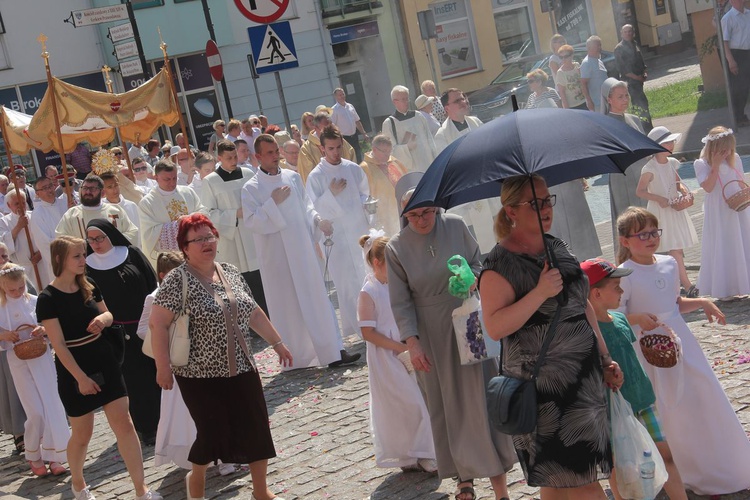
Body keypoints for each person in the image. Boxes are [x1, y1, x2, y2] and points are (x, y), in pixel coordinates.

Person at [479, 174, 622, 498]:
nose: (546, 208)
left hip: (583, 384)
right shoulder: (498, 264)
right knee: (582, 480)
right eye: (535, 203)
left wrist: (604, 357)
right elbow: (496, 327)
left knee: (556, 486)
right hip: (543, 390)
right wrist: (540, 292)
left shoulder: (556, 246)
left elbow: (581, 303)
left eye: (547, 200)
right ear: (511, 211)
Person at [386, 175, 516, 500]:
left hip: (468, 319)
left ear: (436, 208)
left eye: (426, 212)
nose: (421, 220)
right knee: (447, 404)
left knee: (481, 395)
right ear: (404, 214)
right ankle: (463, 476)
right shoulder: (396, 248)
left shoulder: (456, 225)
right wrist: (412, 343)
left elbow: (479, 261)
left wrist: (471, 277)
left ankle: (500, 484)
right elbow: (400, 301)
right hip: (430, 333)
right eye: (413, 215)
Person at [149, 214, 292, 500]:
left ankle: (261, 491)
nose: (206, 243)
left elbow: (252, 311)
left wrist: (277, 342)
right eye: (198, 239)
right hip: (198, 374)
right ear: (185, 248)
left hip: (242, 366)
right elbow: (158, 323)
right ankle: (197, 479)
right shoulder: (178, 280)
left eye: (210, 236)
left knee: (255, 427)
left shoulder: (230, 271)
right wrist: (162, 367)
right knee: (212, 432)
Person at [616, 207, 750, 496]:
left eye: (654, 232)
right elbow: (615, 317)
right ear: (626, 241)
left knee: (702, 394)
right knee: (669, 408)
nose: (650, 238)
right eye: (643, 234)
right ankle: (678, 466)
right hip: (649, 349)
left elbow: (674, 302)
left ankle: (718, 459)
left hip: (680, 340)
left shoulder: (667, 262)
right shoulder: (624, 274)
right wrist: (639, 319)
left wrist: (701, 302)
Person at [37, 235, 161, 500]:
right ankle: (79, 484)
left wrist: (103, 320)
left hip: (105, 360)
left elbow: (108, 313)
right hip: (74, 366)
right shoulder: (47, 298)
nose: (84, 260)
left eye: (84, 254)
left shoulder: (89, 284)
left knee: (125, 424)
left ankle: (142, 489)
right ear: (60, 259)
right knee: (83, 434)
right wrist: (80, 378)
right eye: (77, 256)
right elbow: (58, 344)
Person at [241, 135, 360, 370]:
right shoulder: (251, 188)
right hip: (277, 258)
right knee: (288, 306)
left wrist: (318, 220)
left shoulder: (292, 177)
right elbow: (252, 222)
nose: (275, 156)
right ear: (257, 157)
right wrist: (272, 203)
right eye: (269, 153)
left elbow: (307, 206)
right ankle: (298, 358)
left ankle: (334, 351)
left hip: (302, 251)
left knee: (316, 298)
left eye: (276, 151)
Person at [581, 258, 687, 500]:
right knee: (621, 468)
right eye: (616, 287)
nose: (621, 291)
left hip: (644, 400)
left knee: (665, 455)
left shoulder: (619, 320)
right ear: (596, 294)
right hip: (615, 410)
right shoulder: (588, 332)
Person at [357, 232, 437, 472]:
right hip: (387, 358)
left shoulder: (396, 286)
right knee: (407, 403)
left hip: (406, 351)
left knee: (420, 399)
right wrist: (399, 347)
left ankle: (421, 451)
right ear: (377, 263)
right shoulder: (368, 292)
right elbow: (368, 333)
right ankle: (413, 453)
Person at [84, 219, 160, 446]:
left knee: (158, 373)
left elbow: (152, 284)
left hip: (146, 325)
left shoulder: (131, 254)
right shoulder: (86, 267)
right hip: (116, 334)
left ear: (110, 235)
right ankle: (147, 428)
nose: (96, 243)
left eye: (100, 238)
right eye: (91, 240)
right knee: (134, 382)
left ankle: (170, 421)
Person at [0, 263, 69, 476]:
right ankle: (33, 453)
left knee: (51, 405)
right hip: (18, 360)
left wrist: (43, 329)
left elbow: (51, 326)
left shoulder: (36, 301)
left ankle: (55, 455)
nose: (18, 292)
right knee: (35, 411)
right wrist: (4, 334)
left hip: (41, 358)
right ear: (2, 286)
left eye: (21, 287)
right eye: (12, 290)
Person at [306, 126, 370, 338]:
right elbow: (311, 209)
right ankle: (361, 330)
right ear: (322, 149)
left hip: (358, 231)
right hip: (336, 238)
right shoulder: (316, 176)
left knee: (365, 277)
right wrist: (330, 195)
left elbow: (365, 194)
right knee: (346, 284)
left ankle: (372, 324)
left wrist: (367, 206)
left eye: (338, 147)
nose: (336, 152)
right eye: (331, 148)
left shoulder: (353, 168)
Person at [202, 140, 267, 313]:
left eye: (235, 156)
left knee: (259, 278)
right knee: (237, 280)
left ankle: (267, 315)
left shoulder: (247, 173)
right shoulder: (210, 181)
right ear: (219, 158)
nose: (233, 160)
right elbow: (208, 213)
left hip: (251, 234)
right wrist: (234, 214)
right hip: (230, 238)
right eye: (228, 157)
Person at [635, 126, 699, 295]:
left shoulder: (671, 163)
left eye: (671, 142)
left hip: (674, 209)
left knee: (675, 248)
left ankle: (677, 283)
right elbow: (640, 191)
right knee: (673, 248)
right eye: (667, 142)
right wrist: (659, 199)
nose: (671, 145)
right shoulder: (650, 168)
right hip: (660, 212)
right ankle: (686, 285)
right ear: (658, 147)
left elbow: (678, 184)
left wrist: (685, 193)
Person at [434, 88, 498, 254]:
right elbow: (448, 170)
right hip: (467, 199)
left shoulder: (476, 122)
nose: (464, 102)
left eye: (464, 98)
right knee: (477, 248)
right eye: (458, 101)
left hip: (487, 188)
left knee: (498, 240)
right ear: (447, 108)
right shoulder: (442, 136)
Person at [693, 126, 750, 298]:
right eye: (724, 148)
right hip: (718, 209)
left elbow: (740, 181)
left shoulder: (735, 158)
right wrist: (715, 166)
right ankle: (725, 288)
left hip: (738, 206)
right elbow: (709, 187)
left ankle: (744, 283)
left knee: (742, 241)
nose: (728, 152)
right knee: (722, 243)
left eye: (729, 148)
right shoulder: (701, 163)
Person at [601, 78, 647, 246]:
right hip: (622, 176)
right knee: (628, 220)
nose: (625, 100)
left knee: (645, 216)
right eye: (620, 97)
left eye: (626, 95)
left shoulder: (634, 119)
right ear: (609, 99)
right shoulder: (604, 124)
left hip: (641, 175)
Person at [138, 159, 206, 268]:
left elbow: (204, 211)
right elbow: (149, 234)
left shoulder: (187, 192)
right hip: (171, 259)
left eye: (174, 178)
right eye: (167, 179)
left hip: (197, 249)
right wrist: (177, 225)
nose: (172, 182)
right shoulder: (147, 203)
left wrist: (191, 218)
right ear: (156, 178)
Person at [56, 175, 139, 246]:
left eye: (92, 189)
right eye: (85, 188)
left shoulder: (115, 210)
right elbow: (61, 239)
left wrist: (110, 241)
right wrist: (83, 245)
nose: (88, 192)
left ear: (102, 193)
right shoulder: (71, 214)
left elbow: (133, 233)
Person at [0, 244, 27, 459]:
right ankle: (19, 432)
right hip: (5, 350)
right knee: (12, 391)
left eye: (4, 255)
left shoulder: (20, 278)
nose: (2, 259)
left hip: (30, 347)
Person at [359, 134, 407, 236]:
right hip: (382, 215)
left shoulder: (394, 161)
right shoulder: (364, 168)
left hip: (401, 210)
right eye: (384, 151)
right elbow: (363, 196)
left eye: (389, 151)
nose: (387, 155)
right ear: (374, 149)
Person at [382, 86, 437, 173]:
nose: (407, 102)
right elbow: (389, 151)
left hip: (427, 163)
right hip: (409, 169)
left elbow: (429, 138)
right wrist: (406, 148)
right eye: (403, 99)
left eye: (407, 98)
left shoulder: (418, 116)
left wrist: (435, 158)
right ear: (395, 102)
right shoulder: (389, 123)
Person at [0, 189, 46, 288]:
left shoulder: (35, 215)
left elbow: (46, 238)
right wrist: (19, 226)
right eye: (17, 203)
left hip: (42, 264)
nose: (21, 206)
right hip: (22, 267)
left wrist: (41, 253)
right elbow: (4, 246)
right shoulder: (3, 222)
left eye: (23, 203)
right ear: (9, 205)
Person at [29, 176, 69, 287]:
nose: (49, 190)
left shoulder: (66, 202)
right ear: (37, 193)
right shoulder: (37, 214)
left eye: (50, 186)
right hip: (59, 260)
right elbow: (44, 242)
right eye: (44, 188)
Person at [297, 111, 356, 184]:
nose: (329, 132)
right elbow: (307, 178)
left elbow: (352, 162)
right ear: (315, 128)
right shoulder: (306, 150)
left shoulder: (341, 141)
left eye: (331, 127)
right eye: (325, 129)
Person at [614, 25, 652, 129]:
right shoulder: (619, 48)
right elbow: (623, 70)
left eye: (630, 31)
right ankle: (642, 129)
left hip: (639, 82)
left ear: (633, 32)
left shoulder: (635, 44)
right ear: (621, 33)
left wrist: (644, 72)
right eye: (625, 32)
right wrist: (637, 77)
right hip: (630, 83)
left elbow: (641, 61)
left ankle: (647, 127)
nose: (628, 34)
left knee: (643, 104)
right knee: (639, 105)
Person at [722, 0, 750, 126]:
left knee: (746, 86)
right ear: (732, 1)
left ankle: (741, 116)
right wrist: (730, 60)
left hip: (748, 52)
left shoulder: (748, 14)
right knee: (740, 87)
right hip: (737, 54)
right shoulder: (728, 18)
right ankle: (738, 117)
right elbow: (725, 41)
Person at [331, 88, 369, 163]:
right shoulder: (334, 110)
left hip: (354, 136)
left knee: (358, 157)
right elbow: (332, 126)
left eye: (343, 94)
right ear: (335, 97)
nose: (342, 96)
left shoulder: (350, 106)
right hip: (344, 139)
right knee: (348, 158)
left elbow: (357, 121)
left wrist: (364, 133)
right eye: (339, 95)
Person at [100, 172, 141, 239]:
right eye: (110, 187)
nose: (114, 189)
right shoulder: (101, 209)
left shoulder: (131, 206)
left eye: (116, 185)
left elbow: (139, 229)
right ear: (103, 190)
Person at [580, 36, 609, 112]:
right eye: (597, 46)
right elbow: (583, 84)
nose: (600, 48)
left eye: (600, 45)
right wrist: (589, 101)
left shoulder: (599, 61)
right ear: (589, 48)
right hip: (596, 103)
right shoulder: (586, 63)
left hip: (605, 100)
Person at [555, 45, 587, 110]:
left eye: (566, 56)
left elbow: (584, 83)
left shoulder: (577, 65)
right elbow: (562, 93)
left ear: (572, 55)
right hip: (573, 106)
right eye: (561, 57)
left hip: (585, 101)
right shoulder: (560, 73)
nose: (563, 59)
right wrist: (567, 109)